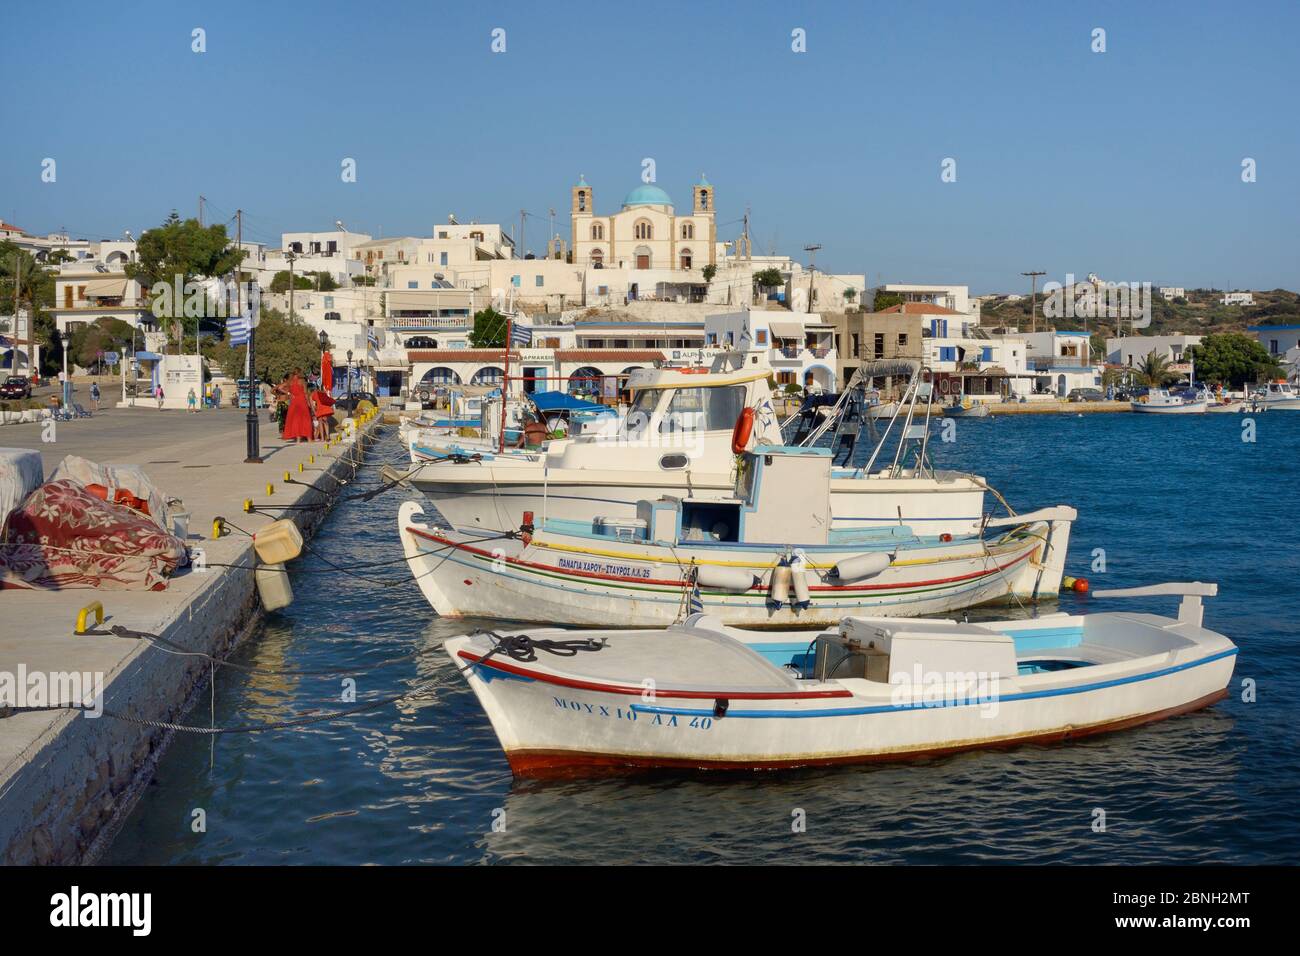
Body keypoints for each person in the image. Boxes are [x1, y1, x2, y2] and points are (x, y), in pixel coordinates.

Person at [280, 369, 313, 443]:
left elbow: (280, 388)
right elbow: (305, 393)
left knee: (296, 420)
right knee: (306, 419)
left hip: (294, 401)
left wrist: (289, 393)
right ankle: (309, 438)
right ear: (299, 373)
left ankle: (298, 439)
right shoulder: (302, 381)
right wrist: (309, 403)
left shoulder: (290, 381)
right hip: (302, 400)